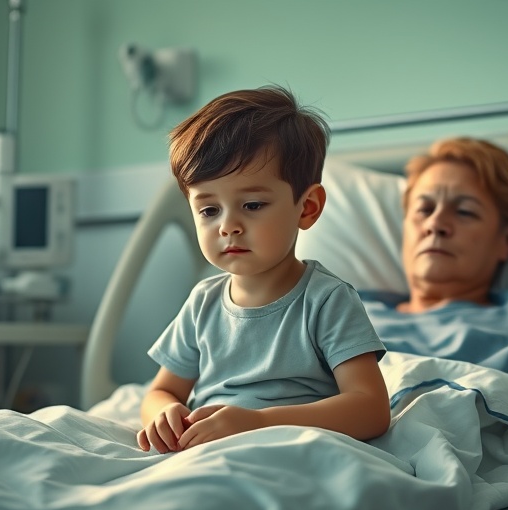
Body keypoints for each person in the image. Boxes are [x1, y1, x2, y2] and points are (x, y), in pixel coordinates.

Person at [138, 85, 390, 454]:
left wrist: (256, 423)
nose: (228, 226)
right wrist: (165, 413)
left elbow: (371, 409)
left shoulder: (326, 300)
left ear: (307, 208)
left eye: (253, 204)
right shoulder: (202, 304)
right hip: (206, 453)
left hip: (291, 450)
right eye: (209, 210)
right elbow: (160, 391)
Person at [360, 137, 508, 419]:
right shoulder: (343, 309)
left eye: (464, 211)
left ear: (507, 239)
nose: (435, 224)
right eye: (424, 209)